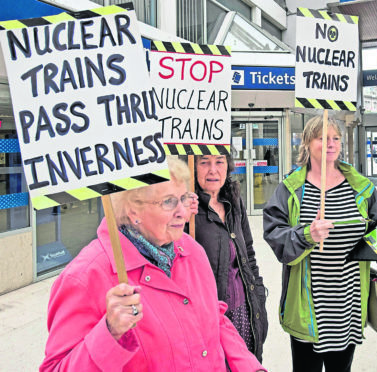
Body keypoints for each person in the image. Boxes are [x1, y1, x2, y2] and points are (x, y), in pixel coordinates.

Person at [39, 157, 266, 372]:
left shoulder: (192, 251)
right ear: (133, 210)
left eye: (184, 198)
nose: (182, 212)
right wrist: (109, 333)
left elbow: (214, 321)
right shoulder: (86, 276)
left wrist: (250, 366)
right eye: (169, 202)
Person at [263, 116, 377, 372]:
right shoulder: (291, 189)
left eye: (335, 138)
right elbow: (275, 233)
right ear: (307, 143)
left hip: (348, 302)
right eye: (322, 138)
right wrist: (307, 234)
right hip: (307, 304)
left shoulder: (361, 187)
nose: (330, 144)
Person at [194, 153, 268, 362]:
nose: (213, 169)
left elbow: (249, 253)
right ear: (193, 167)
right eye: (204, 162)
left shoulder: (234, 201)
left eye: (219, 162)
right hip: (212, 318)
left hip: (245, 311)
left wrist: (259, 295)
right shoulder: (187, 211)